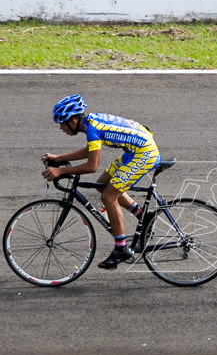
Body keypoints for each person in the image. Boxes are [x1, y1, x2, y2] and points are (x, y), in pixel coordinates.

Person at [42, 95, 161, 269]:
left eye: (62, 122)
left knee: (109, 196)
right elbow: (90, 150)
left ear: (73, 121)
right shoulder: (90, 123)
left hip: (145, 153)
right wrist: (59, 158)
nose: (61, 127)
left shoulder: (92, 128)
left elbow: (92, 166)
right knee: (103, 184)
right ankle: (143, 215)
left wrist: (61, 170)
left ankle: (121, 248)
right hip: (135, 151)